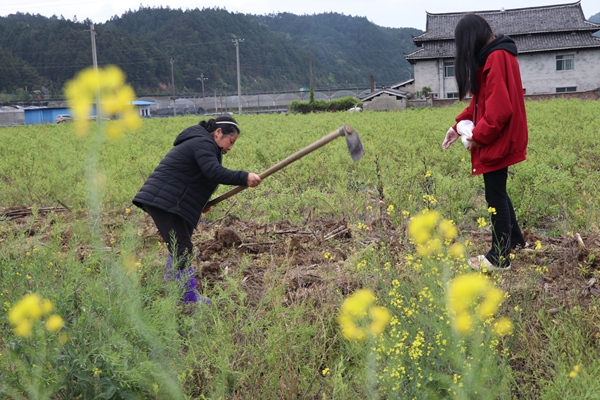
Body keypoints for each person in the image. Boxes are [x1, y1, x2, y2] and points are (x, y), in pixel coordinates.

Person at [133, 116, 262, 303]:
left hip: (172, 201)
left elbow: (192, 177)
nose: (230, 147)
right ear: (218, 132)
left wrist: (201, 203)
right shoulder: (202, 142)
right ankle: (188, 297)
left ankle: (173, 287)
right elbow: (213, 172)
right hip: (167, 202)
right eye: (230, 141)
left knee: (179, 245)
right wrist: (244, 177)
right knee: (183, 248)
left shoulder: (202, 143)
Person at [442, 14, 528, 271]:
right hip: (501, 136)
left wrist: (477, 138)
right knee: (498, 190)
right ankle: (514, 240)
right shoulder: (497, 55)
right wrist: (458, 126)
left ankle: (499, 258)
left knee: (495, 195)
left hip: (499, 138)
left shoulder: (496, 57)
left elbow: (499, 110)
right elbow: (480, 103)